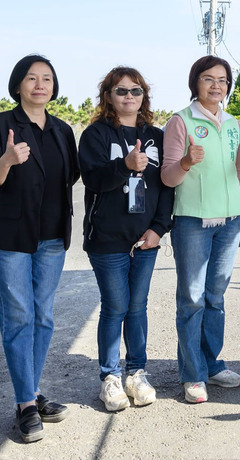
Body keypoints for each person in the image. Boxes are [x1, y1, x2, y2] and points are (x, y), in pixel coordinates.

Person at [0, 54, 79, 443]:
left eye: (47, 79)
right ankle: (25, 402)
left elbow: (70, 175)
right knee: (19, 316)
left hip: (52, 236)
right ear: (18, 84)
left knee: (44, 317)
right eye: (32, 78)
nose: (40, 85)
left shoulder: (61, 129)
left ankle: (32, 391)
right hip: (11, 237)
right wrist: (7, 159)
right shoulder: (1, 125)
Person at [78, 66, 174, 412]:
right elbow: (92, 179)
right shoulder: (96, 135)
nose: (129, 96)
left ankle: (136, 372)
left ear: (144, 96)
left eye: (136, 91)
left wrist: (159, 228)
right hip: (107, 239)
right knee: (115, 306)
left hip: (146, 238)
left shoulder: (158, 136)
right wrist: (126, 165)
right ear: (108, 96)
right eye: (121, 91)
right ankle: (110, 377)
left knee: (137, 307)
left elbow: (167, 186)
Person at [162, 55, 240, 404]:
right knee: (192, 299)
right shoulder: (180, 122)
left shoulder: (232, 123)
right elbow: (168, 176)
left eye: (223, 80)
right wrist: (186, 161)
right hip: (192, 223)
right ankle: (193, 374)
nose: (217, 86)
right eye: (209, 79)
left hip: (229, 221)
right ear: (195, 83)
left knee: (216, 297)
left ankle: (213, 365)